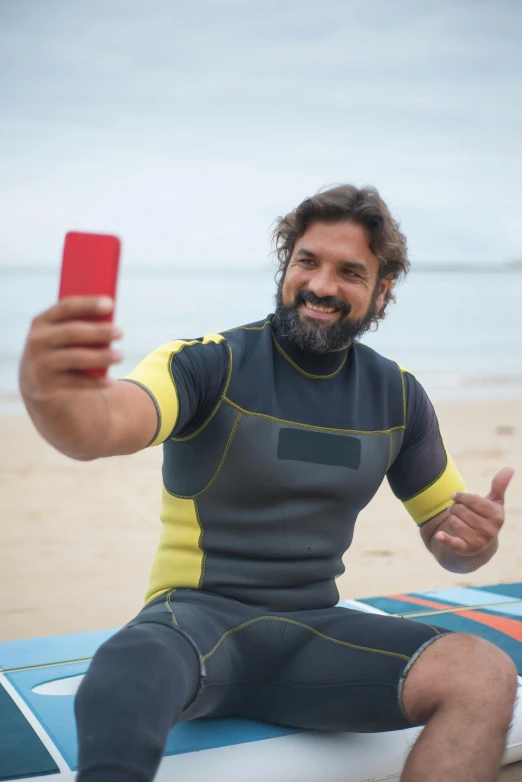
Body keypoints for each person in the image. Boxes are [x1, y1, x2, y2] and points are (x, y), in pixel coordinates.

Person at [20, 185, 517, 782]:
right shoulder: (207, 364)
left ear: (382, 290)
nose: (322, 285)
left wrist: (473, 542)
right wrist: (50, 390)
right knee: (130, 658)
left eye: (350, 271)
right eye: (308, 260)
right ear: (287, 263)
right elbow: (98, 426)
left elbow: (449, 539)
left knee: (484, 672)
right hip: (194, 624)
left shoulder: (398, 396)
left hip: (316, 634)